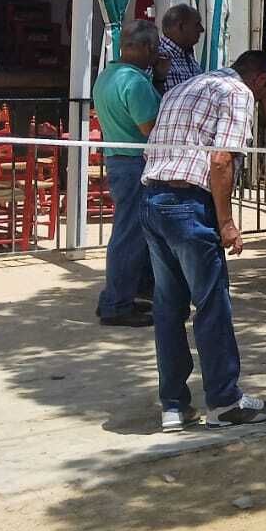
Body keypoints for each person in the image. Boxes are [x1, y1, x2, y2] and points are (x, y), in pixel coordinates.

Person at [140, 51, 266, 432]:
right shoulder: (235, 93)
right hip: (189, 205)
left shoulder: (185, 87)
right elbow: (222, 160)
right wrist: (226, 221)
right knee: (211, 305)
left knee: (169, 307)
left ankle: (173, 404)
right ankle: (224, 401)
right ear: (261, 80)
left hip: (153, 198)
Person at [92, 20, 161, 327]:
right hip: (135, 163)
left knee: (131, 233)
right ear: (144, 47)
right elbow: (151, 128)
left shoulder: (107, 76)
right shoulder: (134, 82)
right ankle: (116, 303)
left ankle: (126, 295)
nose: (156, 54)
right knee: (129, 235)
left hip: (119, 161)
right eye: (154, 48)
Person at [155, 4, 205, 93]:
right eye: (197, 24)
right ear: (181, 27)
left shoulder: (188, 57)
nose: (201, 29)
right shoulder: (158, 56)